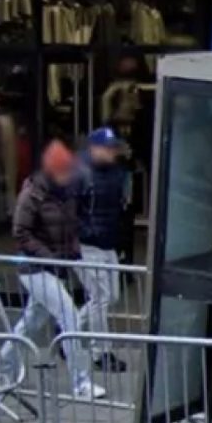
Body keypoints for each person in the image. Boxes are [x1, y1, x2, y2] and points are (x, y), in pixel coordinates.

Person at [4, 140, 105, 400]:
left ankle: (2, 365)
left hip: (53, 264)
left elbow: (70, 226)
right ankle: (80, 382)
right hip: (34, 268)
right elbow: (21, 232)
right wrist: (49, 257)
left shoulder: (66, 192)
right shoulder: (33, 193)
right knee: (69, 315)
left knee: (31, 321)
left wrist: (73, 253)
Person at [75, 127, 129, 373]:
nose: (111, 152)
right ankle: (101, 352)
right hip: (87, 244)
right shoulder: (79, 172)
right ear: (93, 148)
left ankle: (70, 328)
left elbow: (120, 207)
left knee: (111, 296)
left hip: (108, 242)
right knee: (101, 298)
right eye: (106, 147)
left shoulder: (116, 173)